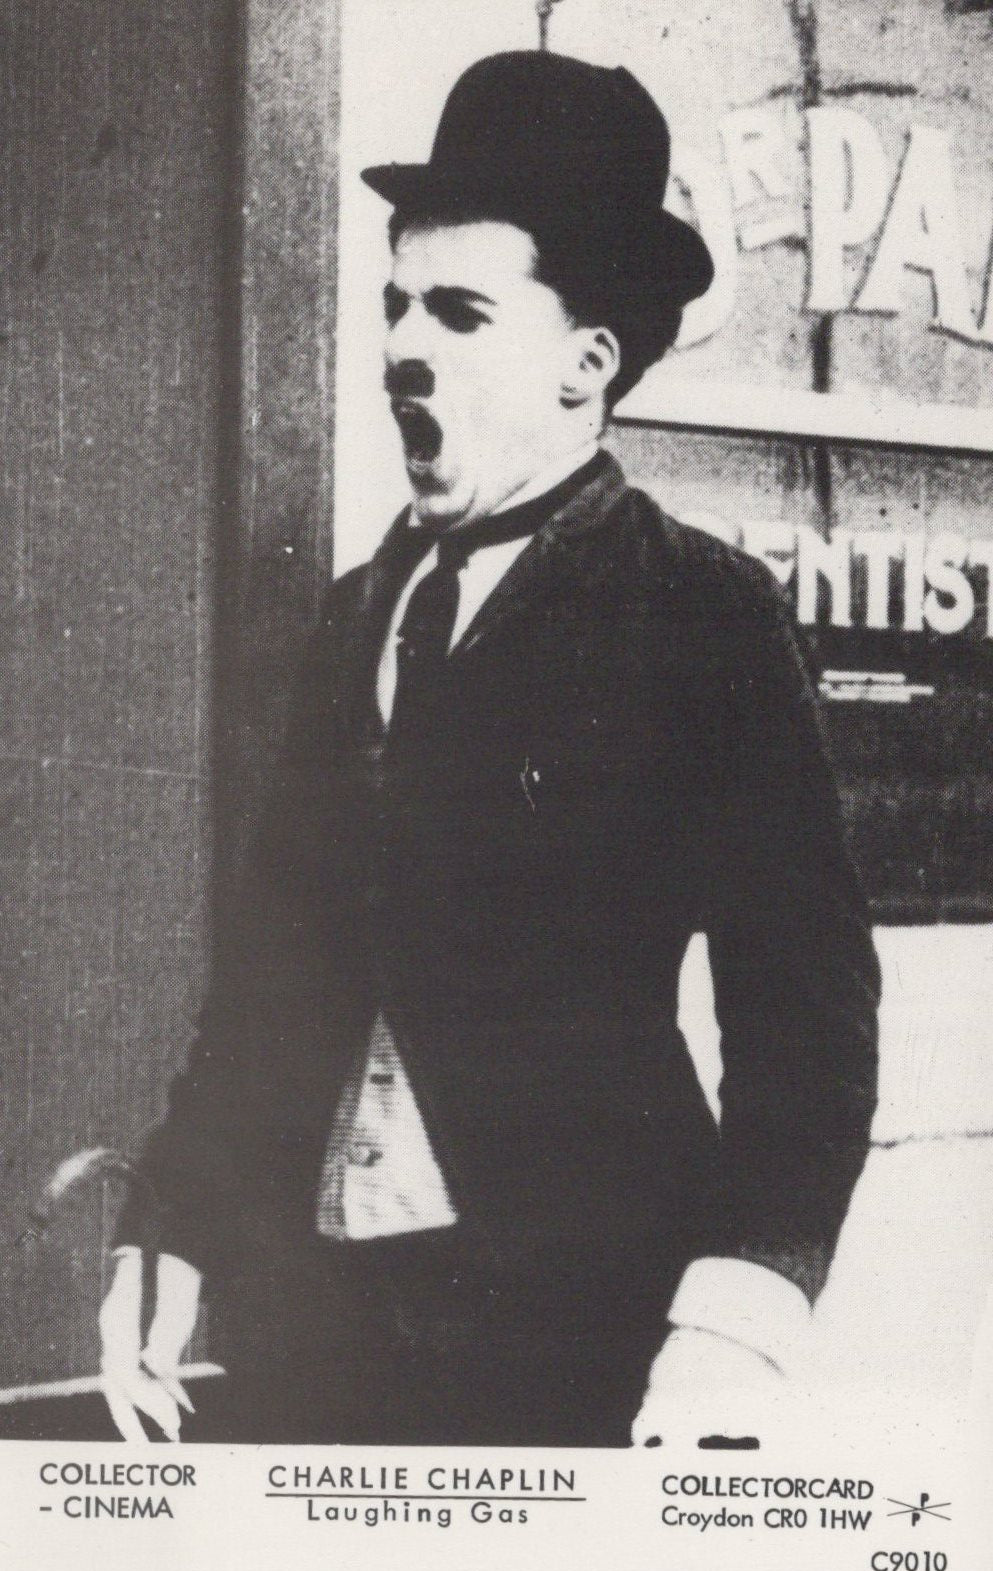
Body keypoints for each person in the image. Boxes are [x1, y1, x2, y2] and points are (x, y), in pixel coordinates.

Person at [100, 50, 880, 1447]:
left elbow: (804, 1007)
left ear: (586, 362)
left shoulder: (699, 610)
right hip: (312, 1329)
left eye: (458, 312)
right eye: (395, 304)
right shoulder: (355, 618)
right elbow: (276, 976)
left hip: (576, 1333)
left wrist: (737, 1317)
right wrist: (175, 1224)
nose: (403, 343)